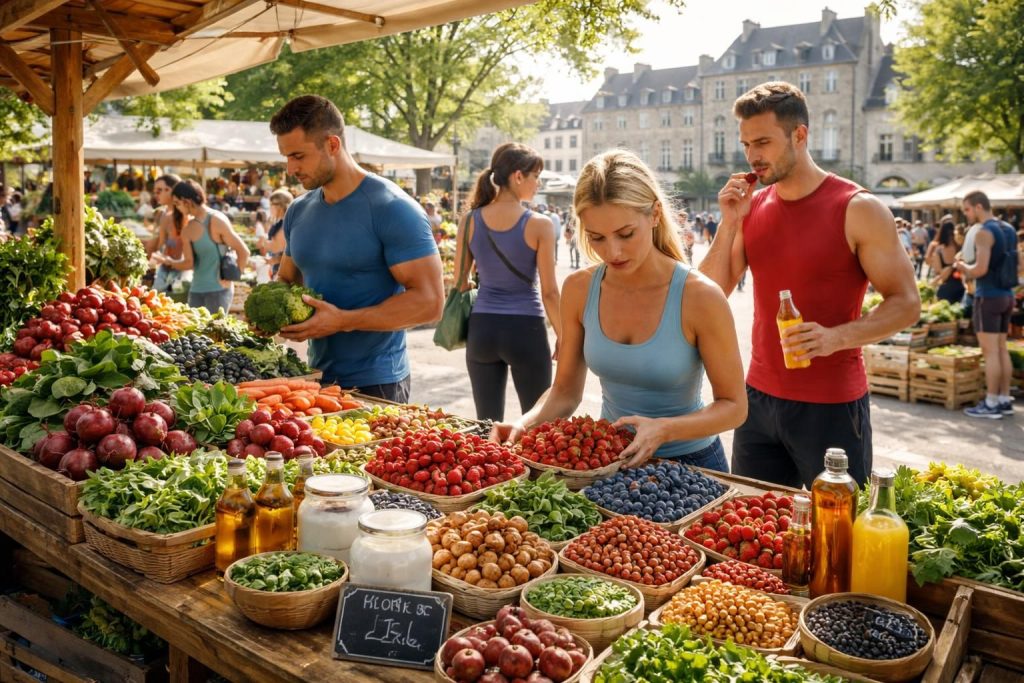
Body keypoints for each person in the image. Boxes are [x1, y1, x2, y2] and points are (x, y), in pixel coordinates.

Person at [699, 81, 919, 488]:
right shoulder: (753, 208)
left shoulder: (859, 208)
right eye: (746, 144)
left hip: (832, 406)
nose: (752, 156)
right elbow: (708, 293)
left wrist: (836, 337)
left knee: (833, 540)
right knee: (749, 532)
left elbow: (906, 303)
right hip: (757, 402)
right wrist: (729, 223)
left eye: (763, 142)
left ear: (799, 135)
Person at [492, 150, 747, 470]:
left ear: (655, 214)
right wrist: (523, 424)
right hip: (608, 459)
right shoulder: (579, 288)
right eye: (596, 237)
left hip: (691, 464)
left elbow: (735, 407)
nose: (612, 251)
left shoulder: (700, 296)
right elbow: (565, 392)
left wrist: (665, 429)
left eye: (626, 234)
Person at [270, 95, 444, 402]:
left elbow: (430, 303)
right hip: (313, 380)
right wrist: (270, 313)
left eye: (298, 156)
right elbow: (287, 280)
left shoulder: (393, 208)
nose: (290, 169)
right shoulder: (298, 210)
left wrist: (343, 320)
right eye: (286, 157)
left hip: (379, 384)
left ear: (332, 145)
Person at [455, 143, 561, 421]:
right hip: (525, 330)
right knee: (537, 424)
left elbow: (460, 283)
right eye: (535, 176)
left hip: (483, 330)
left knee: (486, 424)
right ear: (517, 176)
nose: (537, 184)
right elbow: (549, 292)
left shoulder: (469, 220)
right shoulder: (540, 224)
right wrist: (564, 335)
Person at [955, 191, 1017, 418]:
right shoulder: (1009, 230)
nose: (966, 215)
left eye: (967, 210)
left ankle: (991, 403)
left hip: (988, 295)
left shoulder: (983, 232)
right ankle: (1003, 398)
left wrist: (962, 267)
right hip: (1007, 294)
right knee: (1001, 349)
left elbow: (979, 269)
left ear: (979, 206)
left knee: (990, 352)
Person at [153, 179, 250, 314]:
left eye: (177, 203)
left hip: (218, 292)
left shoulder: (216, 220)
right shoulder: (188, 229)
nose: (177, 208)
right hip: (196, 291)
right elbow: (189, 264)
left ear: (186, 201)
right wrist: (168, 262)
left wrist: (233, 277)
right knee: (194, 333)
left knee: (214, 333)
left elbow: (243, 251)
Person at [147, 174, 189, 293]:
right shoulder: (165, 214)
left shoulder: (186, 215)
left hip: (180, 274)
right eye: (155, 191)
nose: (157, 195)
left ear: (173, 190)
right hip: (166, 270)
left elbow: (180, 247)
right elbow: (163, 244)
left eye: (160, 190)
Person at [925, 218, 965, 304]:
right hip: (961, 287)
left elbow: (938, 272)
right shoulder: (960, 248)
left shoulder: (938, 250)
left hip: (944, 288)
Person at [263, 189, 292, 279]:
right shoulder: (282, 222)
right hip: (278, 267)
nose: (270, 208)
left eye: (271, 204)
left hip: (282, 271)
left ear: (279, 206)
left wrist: (263, 242)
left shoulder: (284, 224)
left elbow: (278, 247)